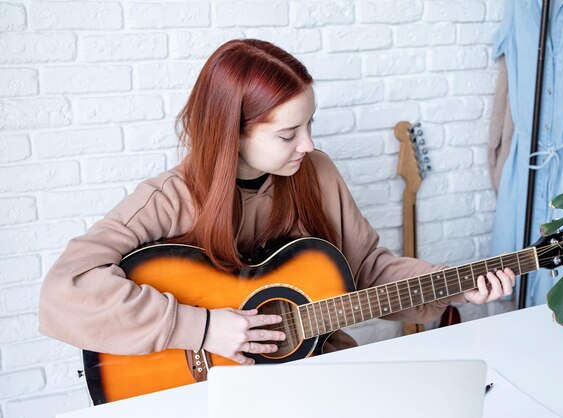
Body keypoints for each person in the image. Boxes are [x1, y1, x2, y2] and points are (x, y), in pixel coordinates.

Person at [39, 39, 515, 366]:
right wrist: (199, 328)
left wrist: (451, 286)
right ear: (232, 133)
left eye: (309, 126)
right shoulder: (169, 198)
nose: (308, 145)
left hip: (314, 372)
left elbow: (368, 270)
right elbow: (66, 290)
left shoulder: (317, 173)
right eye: (288, 134)